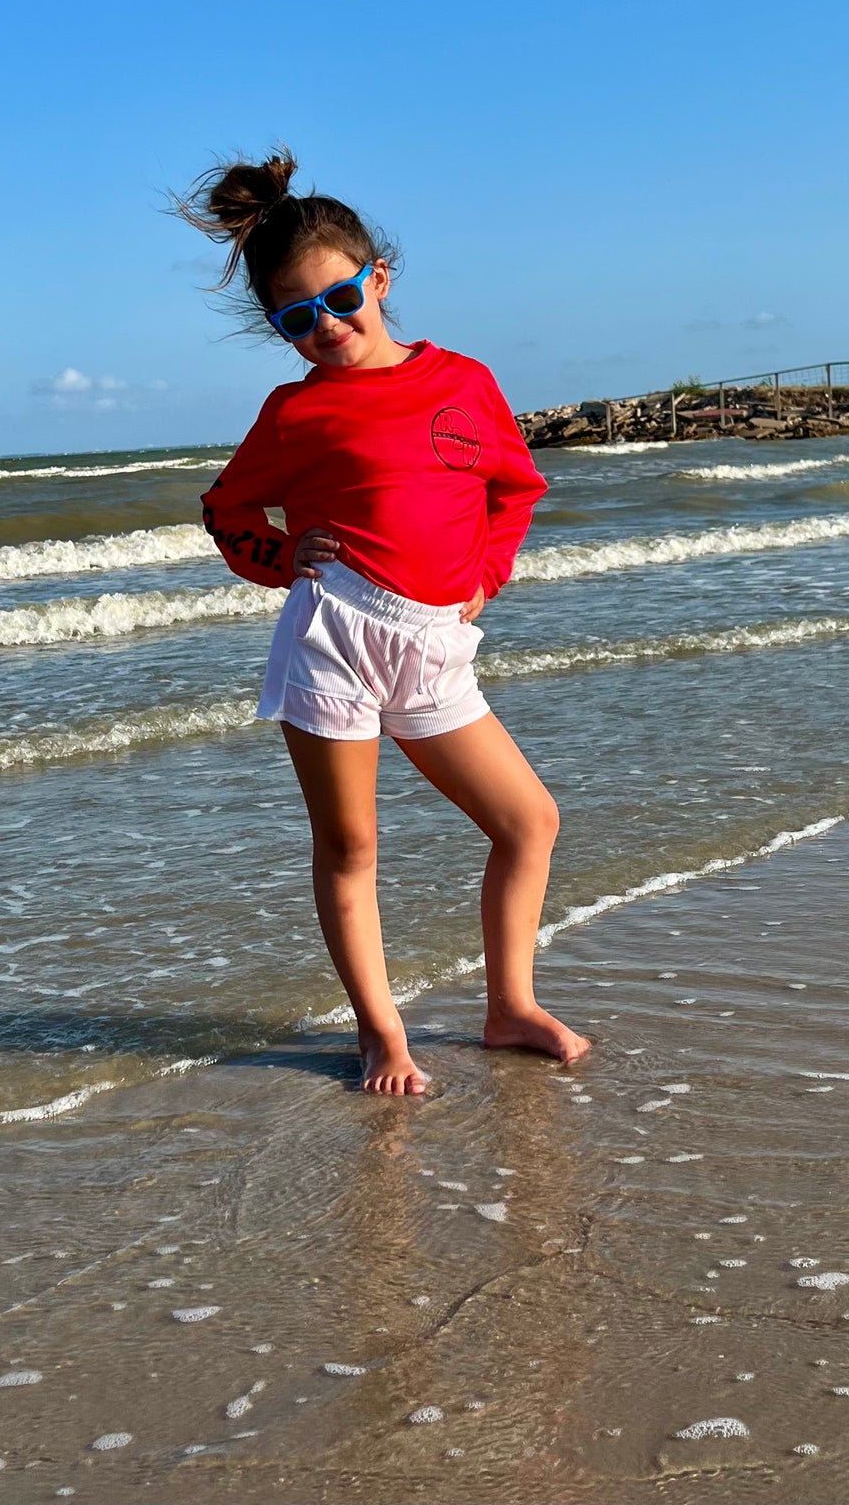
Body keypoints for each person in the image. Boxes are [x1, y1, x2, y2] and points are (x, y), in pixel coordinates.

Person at [175, 148, 590, 1095]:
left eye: (341, 298)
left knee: (528, 821)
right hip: (336, 636)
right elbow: (226, 510)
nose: (326, 325)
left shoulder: (464, 383)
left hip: (438, 642)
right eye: (296, 318)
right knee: (352, 845)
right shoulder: (292, 416)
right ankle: (380, 1032)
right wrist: (283, 562)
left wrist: (487, 570)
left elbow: (513, 489)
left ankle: (508, 1006)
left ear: (379, 277)